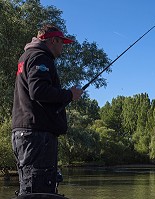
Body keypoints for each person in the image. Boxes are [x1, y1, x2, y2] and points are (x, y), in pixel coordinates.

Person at [11, 24, 83, 196]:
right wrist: (69, 95)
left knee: (31, 190)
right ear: (53, 40)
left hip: (28, 134)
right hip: (36, 137)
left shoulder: (27, 56)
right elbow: (38, 91)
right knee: (38, 192)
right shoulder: (40, 57)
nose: (63, 47)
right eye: (62, 42)